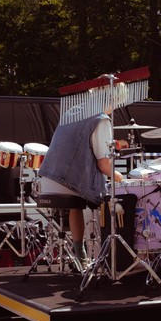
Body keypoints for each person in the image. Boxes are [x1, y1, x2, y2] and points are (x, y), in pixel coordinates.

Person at [38, 90, 128, 262]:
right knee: (107, 194)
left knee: (76, 204)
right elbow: (104, 166)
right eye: (118, 102)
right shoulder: (100, 119)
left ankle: (80, 254)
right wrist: (122, 177)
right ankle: (108, 256)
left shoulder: (71, 112)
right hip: (68, 183)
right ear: (114, 99)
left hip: (48, 179)